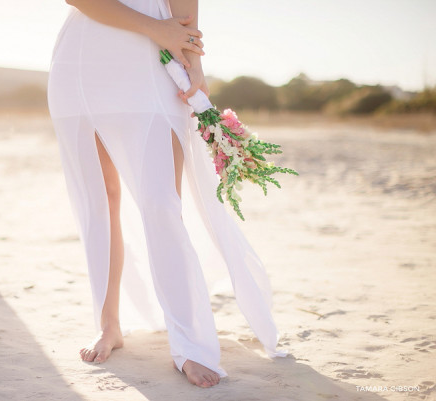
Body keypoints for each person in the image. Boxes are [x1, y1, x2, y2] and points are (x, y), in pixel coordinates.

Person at [48, 0, 286, 388]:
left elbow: (185, 11)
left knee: (161, 204)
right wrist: (152, 27)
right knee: (100, 200)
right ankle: (109, 325)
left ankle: (190, 341)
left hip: (151, 71)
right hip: (80, 65)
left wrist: (195, 65)